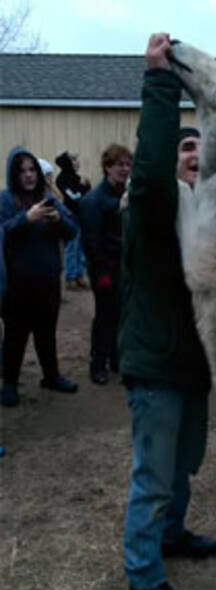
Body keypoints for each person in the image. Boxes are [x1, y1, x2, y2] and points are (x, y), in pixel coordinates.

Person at [119, 33, 216, 590]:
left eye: (201, 152)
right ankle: (142, 576)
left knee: (185, 464)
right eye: (185, 150)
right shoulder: (151, 204)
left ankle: (172, 535)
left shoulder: (209, 217)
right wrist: (161, 83)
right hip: (155, 362)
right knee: (153, 475)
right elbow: (153, 166)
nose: (194, 157)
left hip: (193, 364)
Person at [0, 147, 81, 407]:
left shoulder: (49, 199)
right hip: (17, 284)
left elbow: (71, 232)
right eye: (22, 170)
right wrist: (27, 218)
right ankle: (10, 383)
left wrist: (58, 220)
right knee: (16, 336)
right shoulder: (5, 200)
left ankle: (51, 376)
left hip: (47, 282)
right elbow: (3, 232)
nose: (28, 175)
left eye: (32, 169)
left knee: (46, 333)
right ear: (14, 174)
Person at [79, 144, 132, 385]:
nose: (125, 168)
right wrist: (101, 273)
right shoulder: (94, 200)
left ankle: (115, 358)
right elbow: (91, 241)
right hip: (105, 266)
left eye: (128, 164)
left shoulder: (126, 194)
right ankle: (97, 364)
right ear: (107, 167)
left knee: (121, 314)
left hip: (123, 266)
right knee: (104, 316)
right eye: (120, 164)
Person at [56, 151, 92, 290]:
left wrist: (86, 186)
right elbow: (74, 197)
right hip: (70, 217)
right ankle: (70, 278)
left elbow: (87, 197)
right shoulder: (62, 180)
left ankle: (78, 276)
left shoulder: (77, 178)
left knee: (80, 248)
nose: (77, 162)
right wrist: (83, 187)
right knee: (71, 247)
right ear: (67, 164)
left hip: (80, 216)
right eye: (73, 160)